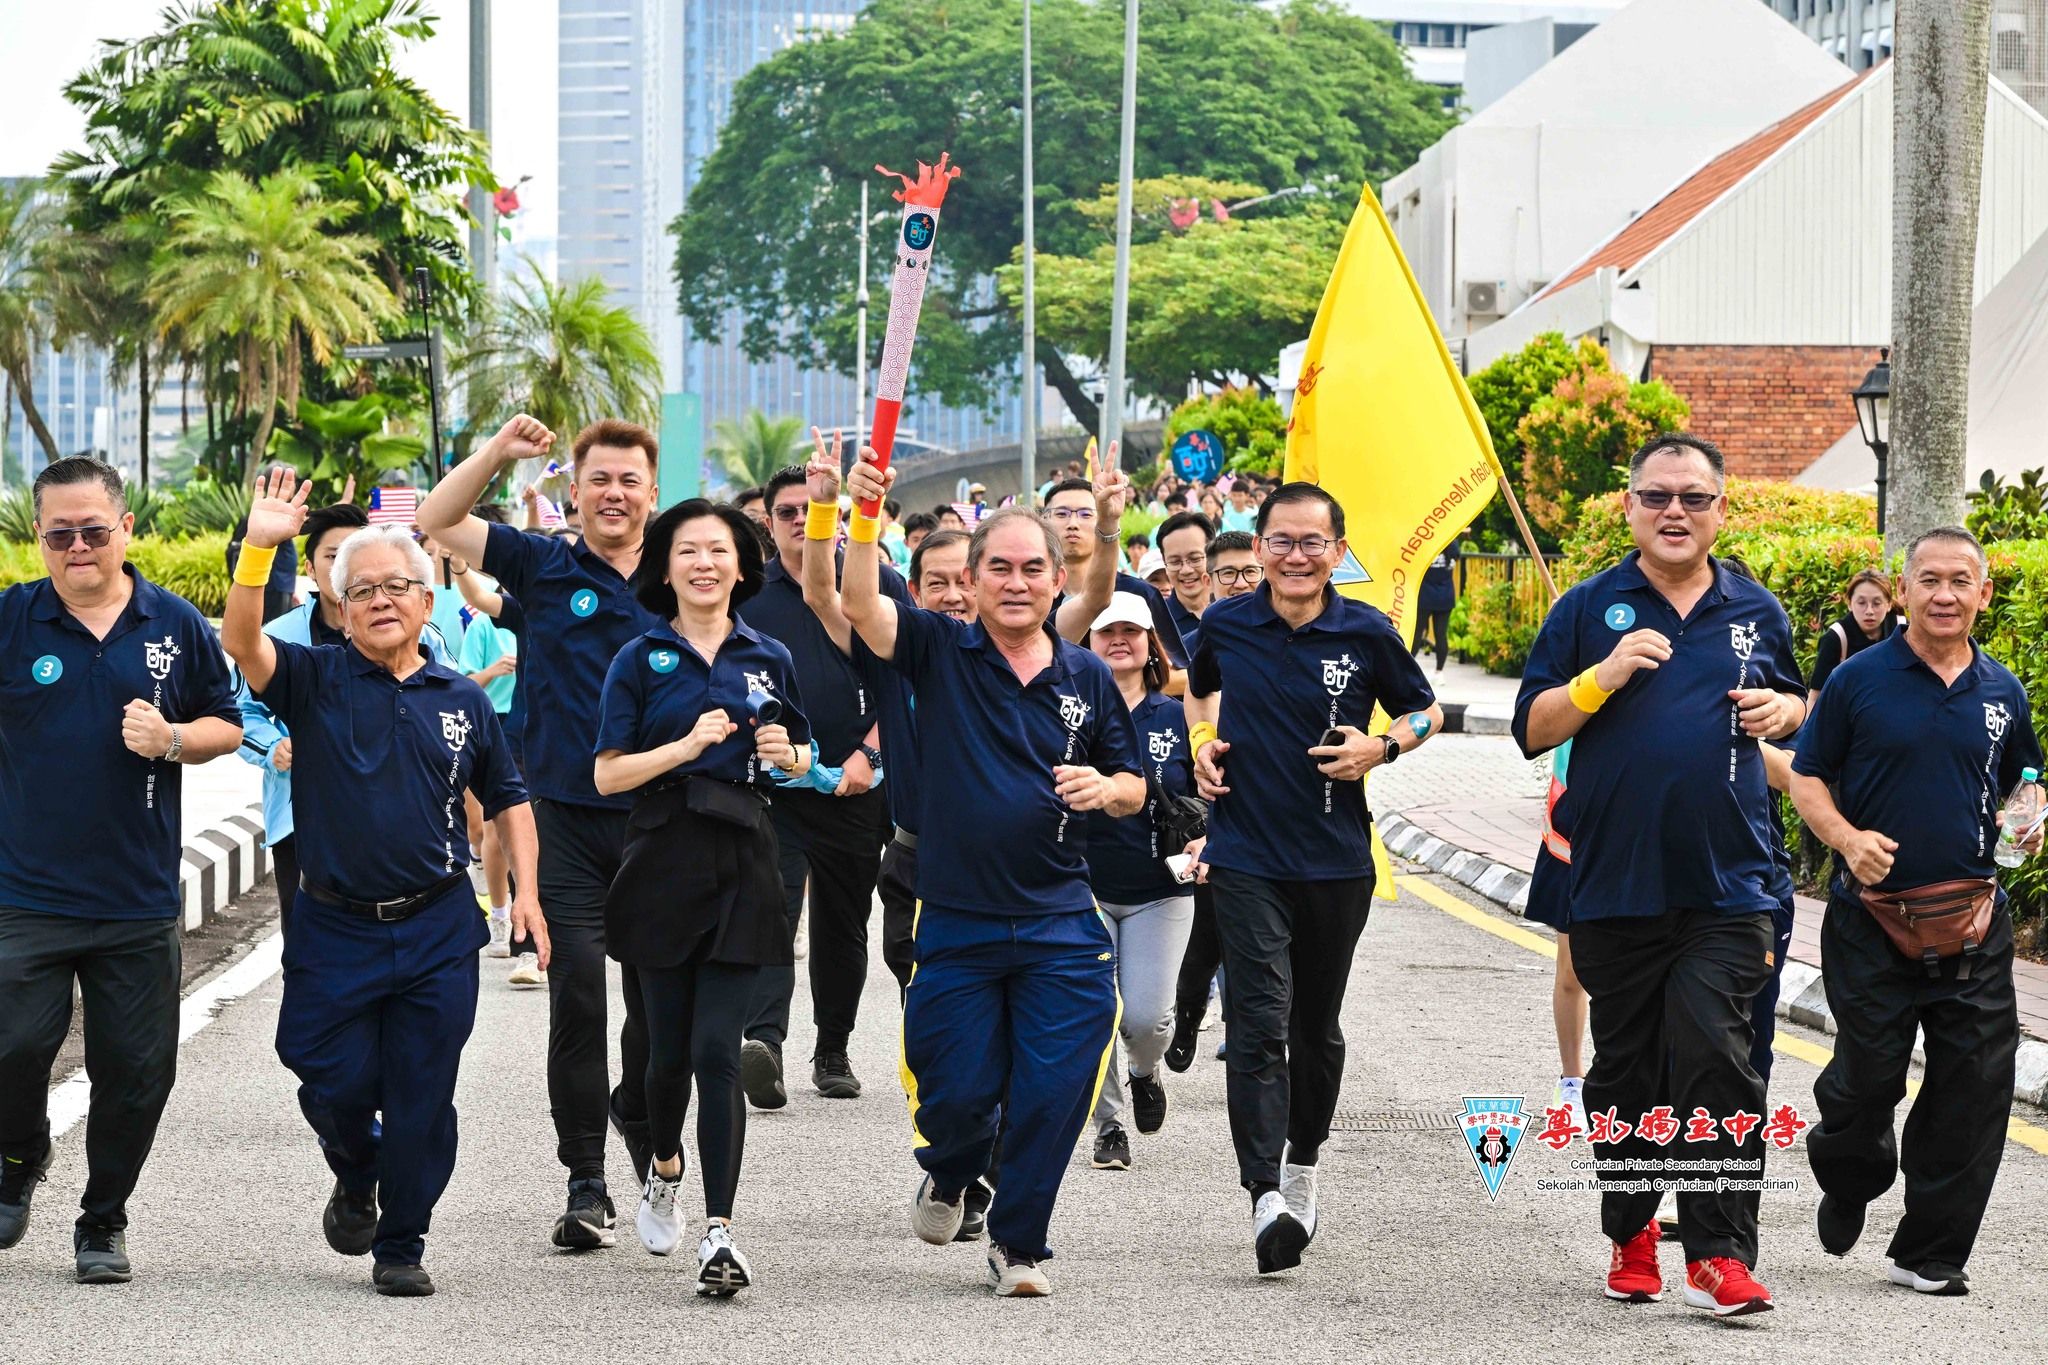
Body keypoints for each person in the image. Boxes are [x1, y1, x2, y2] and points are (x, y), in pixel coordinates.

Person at [222, 471, 542, 1297]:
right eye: (360, 590)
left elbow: (509, 797)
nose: (380, 600)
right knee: (321, 1067)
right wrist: (260, 549)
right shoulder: (314, 680)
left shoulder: (462, 698)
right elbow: (243, 643)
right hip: (334, 924)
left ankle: (402, 1241)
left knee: (423, 1093)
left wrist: (528, 899)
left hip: (438, 924)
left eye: (397, 585)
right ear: (341, 607)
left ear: (427, 598)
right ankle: (357, 1162)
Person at [1512, 433, 1806, 1318]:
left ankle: (1718, 1251)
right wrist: (1600, 679)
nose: (1675, 510)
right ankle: (1631, 1228)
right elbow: (1531, 726)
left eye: (1695, 497)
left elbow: (1798, 710)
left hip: (1732, 882)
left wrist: (1786, 707)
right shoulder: (1587, 606)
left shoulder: (1757, 610)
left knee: (1718, 1055)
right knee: (1626, 1073)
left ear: (1721, 510)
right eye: (1657, 496)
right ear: (1630, 507)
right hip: (1614, 881)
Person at [839, 452, 1144, 1298]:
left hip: (1058, 920)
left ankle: (1019, 1243)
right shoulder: (939, 649)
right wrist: (862, 517)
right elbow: (862, 603)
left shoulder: (1083, 672)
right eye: (999, 568)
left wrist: (1106, 786)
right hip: (960, 919)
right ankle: (951, 1167)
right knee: (959, 1093)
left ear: (1057, 581)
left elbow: (1133, 781)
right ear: (971, 581)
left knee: (1052, 1092)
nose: (1016, 582)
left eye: (1032, 568)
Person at [414, 414, 661, 1250]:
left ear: (651, 492)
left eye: (630, 479)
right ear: (575, 490)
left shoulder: (687, 572)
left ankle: (635, 1106)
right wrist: (496, 454)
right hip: (561, 817)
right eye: (599, 479)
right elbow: (438, 523)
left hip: (663, 824)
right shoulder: (546, 564)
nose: (615, 493)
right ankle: (585, 1177)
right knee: (580, 990)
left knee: (659, 1007)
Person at [1186, 482, 1443, 1276]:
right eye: (1281, 542)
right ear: (1258, 547)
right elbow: (1200, 687)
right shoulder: (1227, 621)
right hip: (1245, 854)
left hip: (1336, 859)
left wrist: (1383, 747)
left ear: (1338, 550)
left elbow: (1428, 709)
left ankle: (1302, 1162)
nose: (1296, 557)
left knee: (1314, 1025)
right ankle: (1265, 1194)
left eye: (1312, 543)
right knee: (1258, 1020)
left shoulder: (1366, 631)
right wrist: (1202, 740)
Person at [0, 456, 242, 1285]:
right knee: (11, 1046)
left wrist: (172, 738)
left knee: (136, 1076)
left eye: (92, 531)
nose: (77, 547)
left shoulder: (172, 624)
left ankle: (103, 1218)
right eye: (59, 533)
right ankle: (20, 1151)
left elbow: (228, 724)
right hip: (24, 893)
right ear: (40, 537)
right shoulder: (12, 622)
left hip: (137, 899)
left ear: (125, 529)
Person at [1791, 526, 2042, 1297]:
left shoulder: (2003, 691)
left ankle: (1928, 1249)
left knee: (1976, 1083)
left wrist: (2030, 814)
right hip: (1870, 919)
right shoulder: (1858, 680)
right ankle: (1850, 1172)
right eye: (1928, 579)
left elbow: (2023, 782)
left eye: (1960, 581)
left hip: (1972, 918)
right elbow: (1806, 779)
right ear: (1902, 592)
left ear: (1984, 593)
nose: (1944, 594)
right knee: (1866, 1082)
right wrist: (1845, 838)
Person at [594, 498, 812, 1297]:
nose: (705, 563)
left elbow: (800, 756)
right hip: (660, 855)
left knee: (719, 1052)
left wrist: (789, 753)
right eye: (688, 550)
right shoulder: (639, 657)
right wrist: (683, 747)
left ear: (742, 565)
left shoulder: (770, 655)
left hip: (746, 858)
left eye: (719, 549)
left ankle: (720, 1231)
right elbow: (606, 773)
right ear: (667, 566)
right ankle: (662, 1165)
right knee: (665, 1058)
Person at [733, 464, 910, 1106]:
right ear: (770, 523)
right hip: (773, 789)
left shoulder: (878, 582)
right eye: (789, 513)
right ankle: (765, 1044)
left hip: (856, 785)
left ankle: (833, 1046)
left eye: (816, 512)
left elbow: (906, 682)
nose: (804, 523)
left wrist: (868, 754)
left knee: (844, 921)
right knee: (772, 911)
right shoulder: (745, 592)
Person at [1082, 593, 1197, 1173]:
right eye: (1107, 631)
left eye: (1132, 631)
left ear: (1152, 645)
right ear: (1088, 642)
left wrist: (1205, 835)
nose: (1119, 640)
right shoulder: (1066, 711)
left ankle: (1145, 1072)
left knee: (1146, 1019)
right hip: (1081, 888)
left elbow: (1210, 787)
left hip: (1161, 889)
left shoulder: (1177, 716)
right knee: (1097, 1014)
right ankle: (1108, 1126)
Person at [1165, 528, 1262, 1071]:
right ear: (1212, 579)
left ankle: (1246, 1028)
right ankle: (1183, 1022)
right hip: (1207, 801)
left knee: (1253, 934)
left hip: (1271, 813)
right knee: (1207, 933)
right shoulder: (1213, 636)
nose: (1240, 583)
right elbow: (1193, 701)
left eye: (1250, 571)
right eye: (1228, 574)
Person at [1042, 474, 1187, 669]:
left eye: (1086, 514)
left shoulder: (1139, 594)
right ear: (1044, 520)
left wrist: (1127, 682)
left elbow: (1181, 674)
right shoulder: (1033, 596)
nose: (1073, 524)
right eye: (1061, 514)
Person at [1809, 568, 1899, 693]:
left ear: (1888, 604)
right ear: (1849, 603)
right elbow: (1816, 695)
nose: (1869, 611)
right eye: (1861, 603)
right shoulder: (1836, 638)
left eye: (1877, 603)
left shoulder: (1901, 631)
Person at [1154, 511, 1216, 652]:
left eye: (1195, 559)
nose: (1186, 570)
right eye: (1175, 562)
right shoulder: (1157, 622)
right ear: (1164, 562)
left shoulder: (1233, 610)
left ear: (1212, 555)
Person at [227, 512, 301, 621]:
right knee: (271, 627)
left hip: (283, 584)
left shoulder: (280, 520)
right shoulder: (261, 520)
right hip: (274, 585)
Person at [1413, 542, 1459, 672]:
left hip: (1425, 596)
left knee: (1417, 633)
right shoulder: (1452, 547)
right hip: (1445, 596)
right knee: (1441, 635)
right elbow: (1457, 556)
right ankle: (1439, 671)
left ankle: (1408, 666)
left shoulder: (1426, 547)